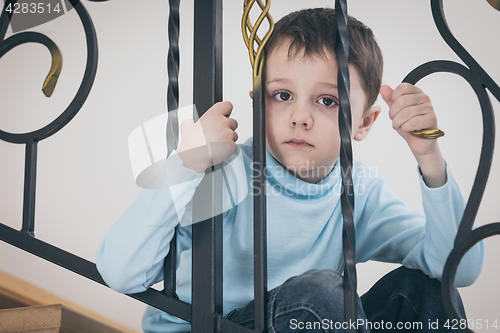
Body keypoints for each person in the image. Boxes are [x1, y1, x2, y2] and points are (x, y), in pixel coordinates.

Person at [96, 8, 484, 333]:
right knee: (323, 293)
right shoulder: (227, 172)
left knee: (427, 289)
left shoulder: (359, 190)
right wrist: (186, 164)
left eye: (328, 100)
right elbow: (120, 272)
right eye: (282, 96)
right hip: (214, 326)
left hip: (307, 318)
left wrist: (428, 155)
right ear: (257, 104)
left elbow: (458, 269)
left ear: (364, 123)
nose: (300, 117)